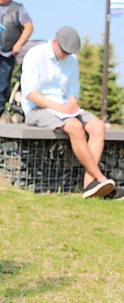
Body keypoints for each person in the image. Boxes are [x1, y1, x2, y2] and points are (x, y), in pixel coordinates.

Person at [21, 26, 122, 200]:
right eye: (65, 51)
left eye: (70, 53)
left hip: (65, 109)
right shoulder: (35, 55)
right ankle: (101, 178)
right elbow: (31, 93)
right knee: (75, 127)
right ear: (54, 42)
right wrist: (59, 108)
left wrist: (72, 103)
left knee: (98, 126)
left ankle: (90, 184)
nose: (67, 55)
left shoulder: (72, 59)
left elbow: (73, 92)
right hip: (38, 109)